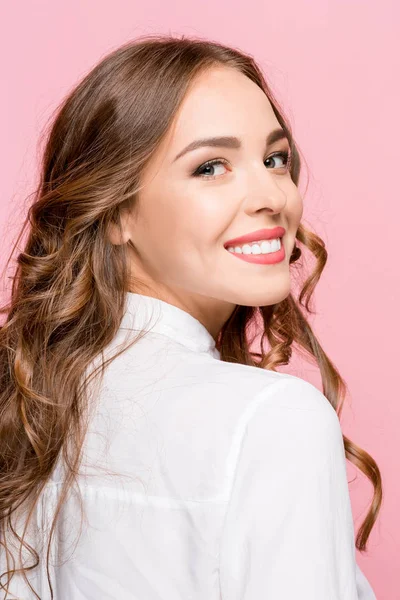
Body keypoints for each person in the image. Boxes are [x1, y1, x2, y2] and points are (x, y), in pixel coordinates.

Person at [0, 35, 381, 599]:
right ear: (115, 212)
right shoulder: (273, 421)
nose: (271, 195)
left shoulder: (31, 400)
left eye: (275, 159)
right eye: (211, 167)